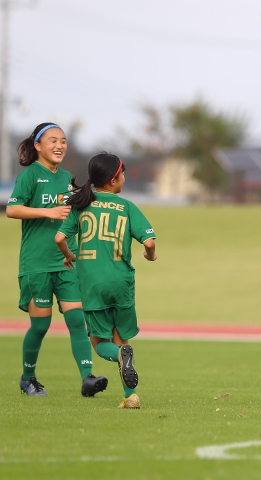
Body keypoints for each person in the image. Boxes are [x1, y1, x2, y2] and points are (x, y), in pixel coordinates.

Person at [6, 122, 107, 398]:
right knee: (40, 325)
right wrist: (47, 212)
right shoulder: (30, 177)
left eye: (62, 140)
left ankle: (88, 378)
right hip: (36, 263)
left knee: (78, 321)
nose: (59, 145)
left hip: (66, 262)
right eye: (53, 140)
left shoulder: (66, 177)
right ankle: (28, 379)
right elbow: (12, 210)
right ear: (37, 146)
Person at [55, 152, 157, 409]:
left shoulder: (82, 205)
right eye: (122, 173)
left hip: (92, 283)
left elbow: (59, 239)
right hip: (121, 281)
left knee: (101, 343)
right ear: (113, 180)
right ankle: (131, 396)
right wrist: (149, 255)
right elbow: (149, 242)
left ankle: (121, 360)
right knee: (122, 339)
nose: (123, 177)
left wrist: (70, 256)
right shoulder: (127, 207)